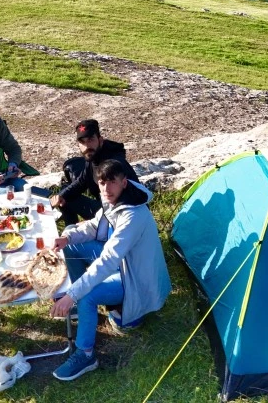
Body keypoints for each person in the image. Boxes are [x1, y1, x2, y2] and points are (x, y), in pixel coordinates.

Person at [49, 159, 171, 381]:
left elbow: (108, 260)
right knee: (71, 245)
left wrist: (73, 293)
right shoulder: (112, 199)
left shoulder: (133, 215)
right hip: (122, 263)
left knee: (86, 295)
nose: (106, 188)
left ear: (124, 182)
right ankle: (81, 305)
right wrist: (67, 238)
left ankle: (86, 354)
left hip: (136, 277)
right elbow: (95, 226)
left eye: (112, 182)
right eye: (102, 183)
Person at [52, 119, 139, 225]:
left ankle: (77, 232)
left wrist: (93, 223)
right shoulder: (92, 158)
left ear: (100, 140)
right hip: (105, 208)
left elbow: (125, 203)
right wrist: (60, 196)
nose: (87, 146)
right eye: (82, 142)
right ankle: (70, 231)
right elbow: (80, 183)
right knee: (65, 197)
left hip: (125, 216)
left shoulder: (112, 165)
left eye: (90, 140)